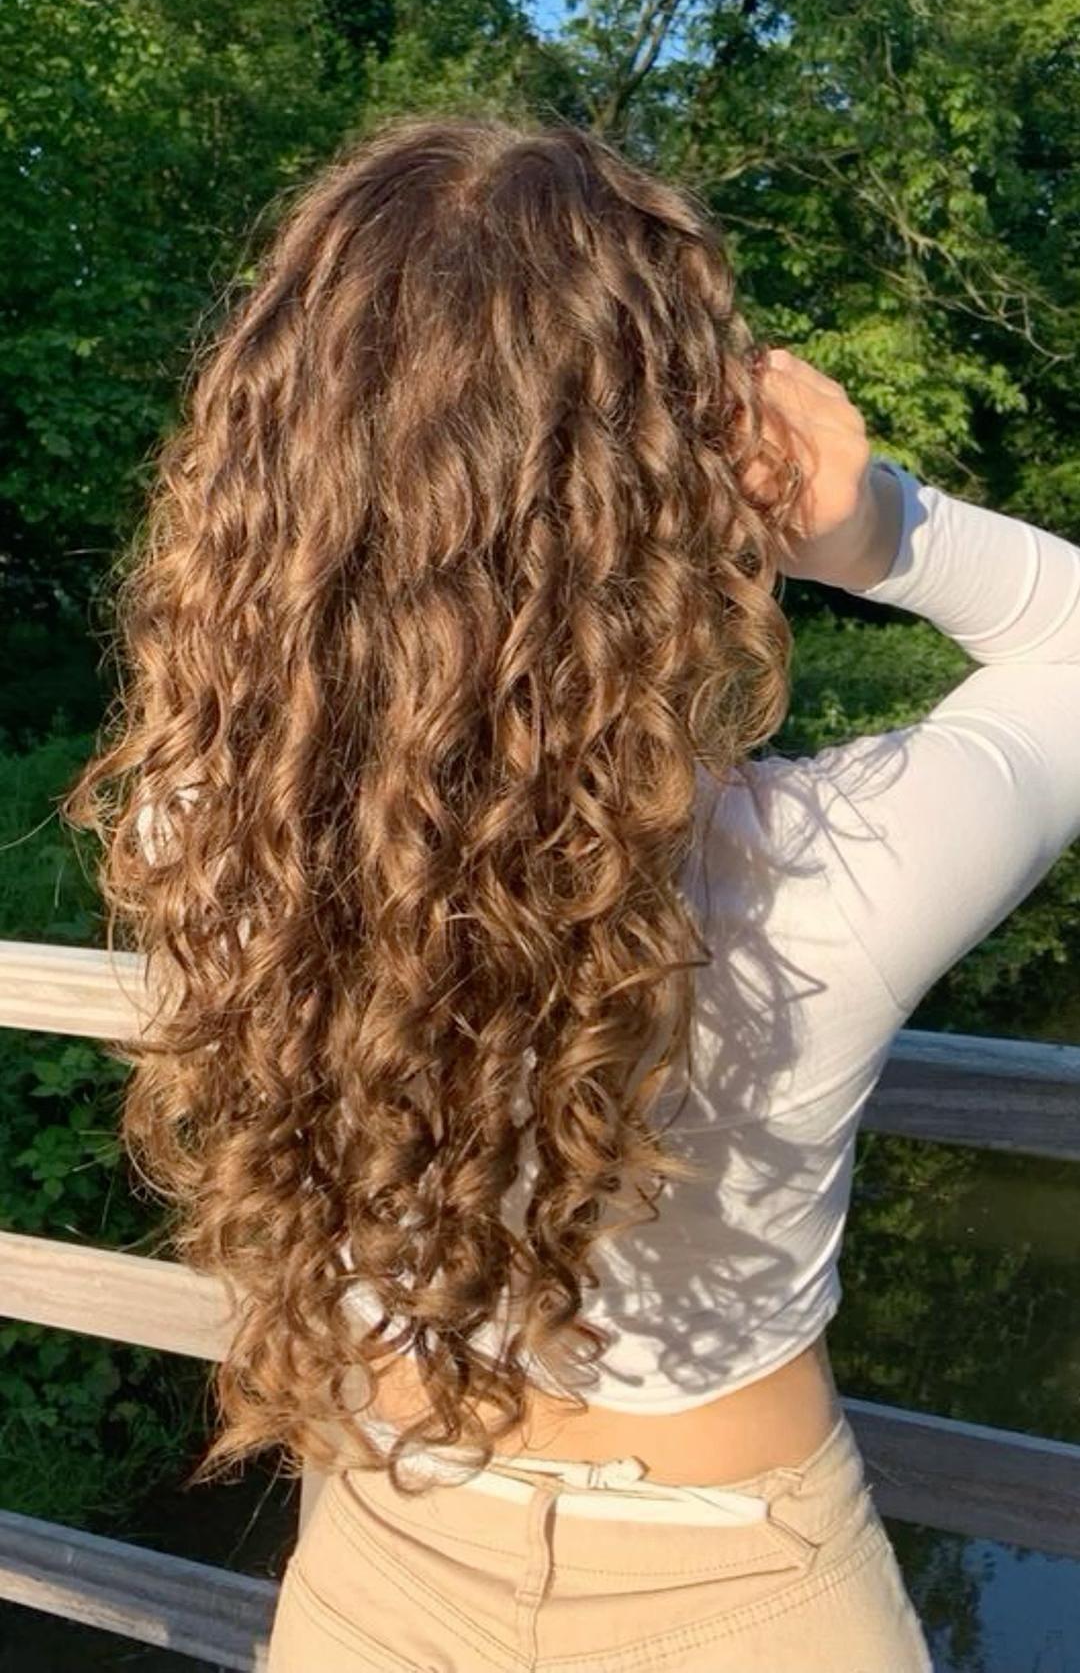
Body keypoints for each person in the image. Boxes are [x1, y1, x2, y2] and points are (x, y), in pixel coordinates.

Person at [63, 113, 1080, 1671]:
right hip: (743, 1603)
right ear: (669, 486)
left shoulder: (203, 829)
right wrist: (874, 521)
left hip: (380, 1556)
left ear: (275, 475)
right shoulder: (826, 874)